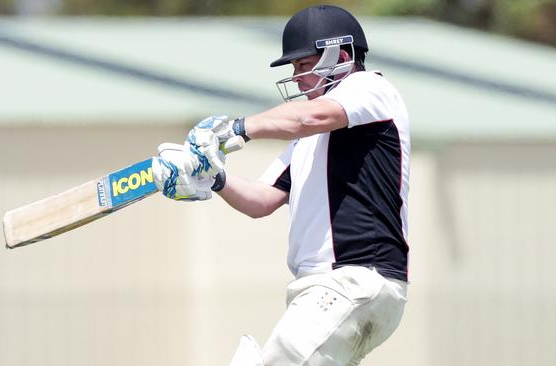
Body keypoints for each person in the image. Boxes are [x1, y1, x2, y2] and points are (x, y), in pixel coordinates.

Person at [152, 4, 410, 366]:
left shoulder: (370, 88)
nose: (298, 76)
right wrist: (213, 177)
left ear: (343, 54)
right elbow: (261, 200)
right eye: (295, 68)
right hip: (325, 290)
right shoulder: (307, 138)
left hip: (356, 279)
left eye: (304, 65)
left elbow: (305, 117)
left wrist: (233, 131)